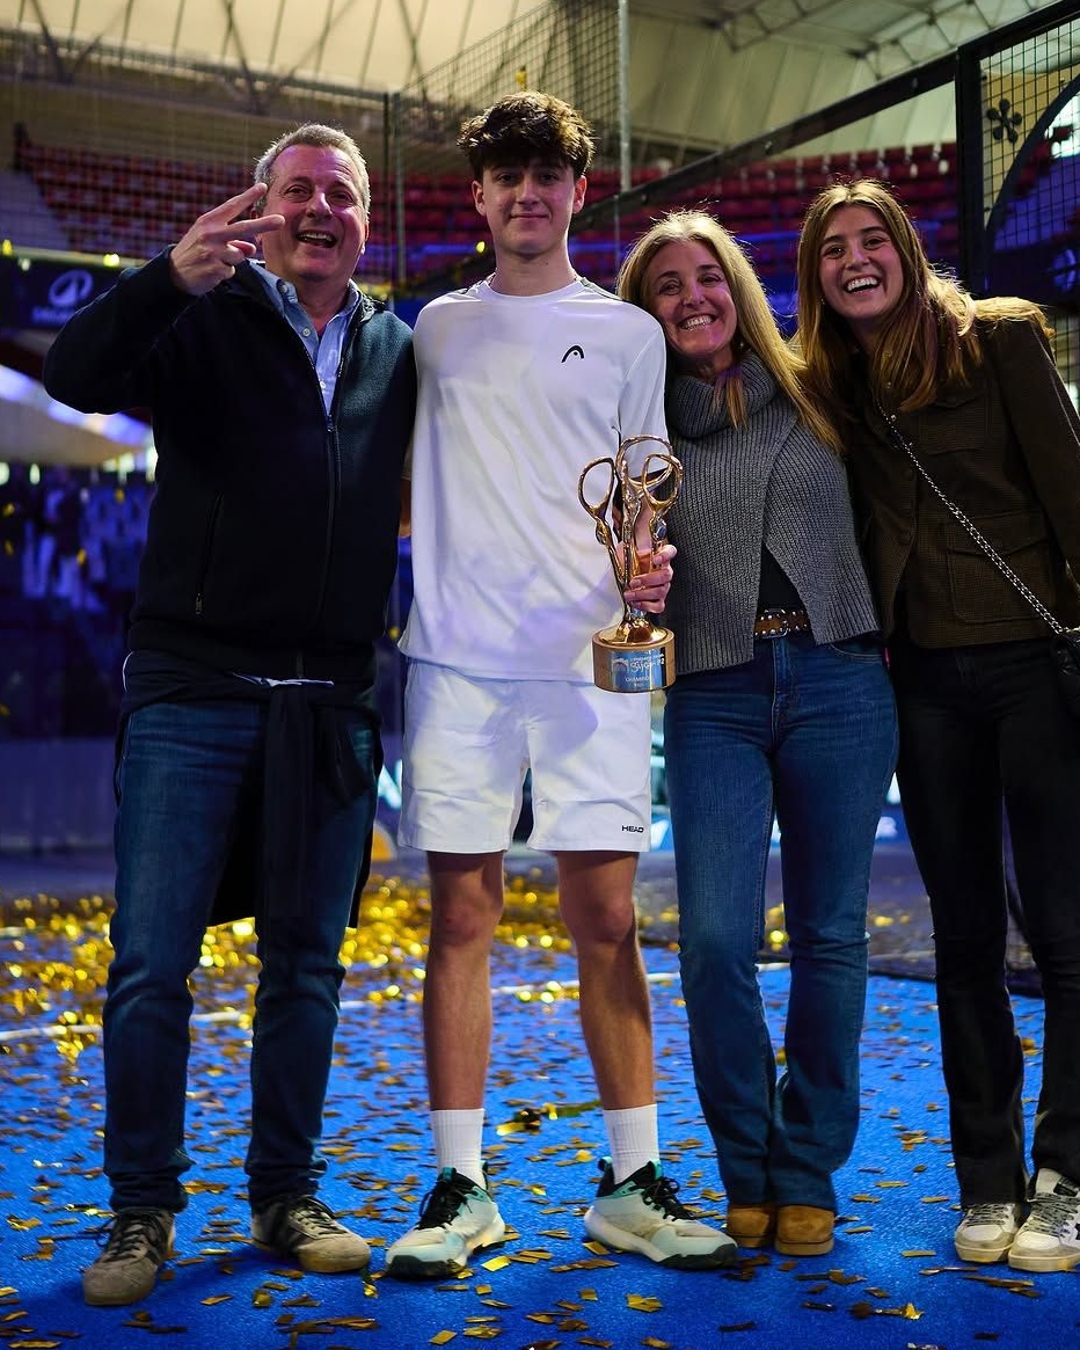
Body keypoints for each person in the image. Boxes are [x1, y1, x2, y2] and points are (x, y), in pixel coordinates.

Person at [42, 122, 416, 1306]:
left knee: (307, 966)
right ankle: (143, 1211)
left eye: (340, 194)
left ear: (365, 220)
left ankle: (285, 1192)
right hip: (191, 690)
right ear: (260, 208)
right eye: (297, 190)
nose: (318, 210)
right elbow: (72, 377)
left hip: (328, 699)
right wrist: (165, 279)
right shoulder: (199, 316)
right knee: (153, 966)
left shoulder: (400, 351)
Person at [387, 93, 735, 1279]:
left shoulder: (630, 335)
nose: (527, 194)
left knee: (606, 924)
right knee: (462, 924)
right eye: (506, 177)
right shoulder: (430, 328)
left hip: (593, 667)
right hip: (454, 667)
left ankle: (629, 1183)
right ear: (478, 195)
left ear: (580, 191)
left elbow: (644, 491)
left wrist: (644, 562)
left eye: (548, 175)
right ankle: (460, 1190)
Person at [795, 178, 1080, 1273]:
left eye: (873, 240)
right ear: (818, 276)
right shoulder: (826, 384)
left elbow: (1071, 496)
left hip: (1033, 666)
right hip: (919, 684)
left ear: (908, 252)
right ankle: (986, 1180)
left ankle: (1063, 1179)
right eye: (833, 249)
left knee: (1064, 929)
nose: (855, 259)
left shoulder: (996, 341)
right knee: (962, 940)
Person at [617, 209, 896, 1258]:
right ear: (645, 316)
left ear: (738, 284)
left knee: (832, 938)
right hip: (716, 694)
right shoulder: (642, 439)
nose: (693, 297)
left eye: (708, 277)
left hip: (840, 677)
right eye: (665, 287)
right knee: (717, 945)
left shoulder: (825, 388)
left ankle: (808, 1165)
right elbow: (619, 580)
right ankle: (747, 1163)